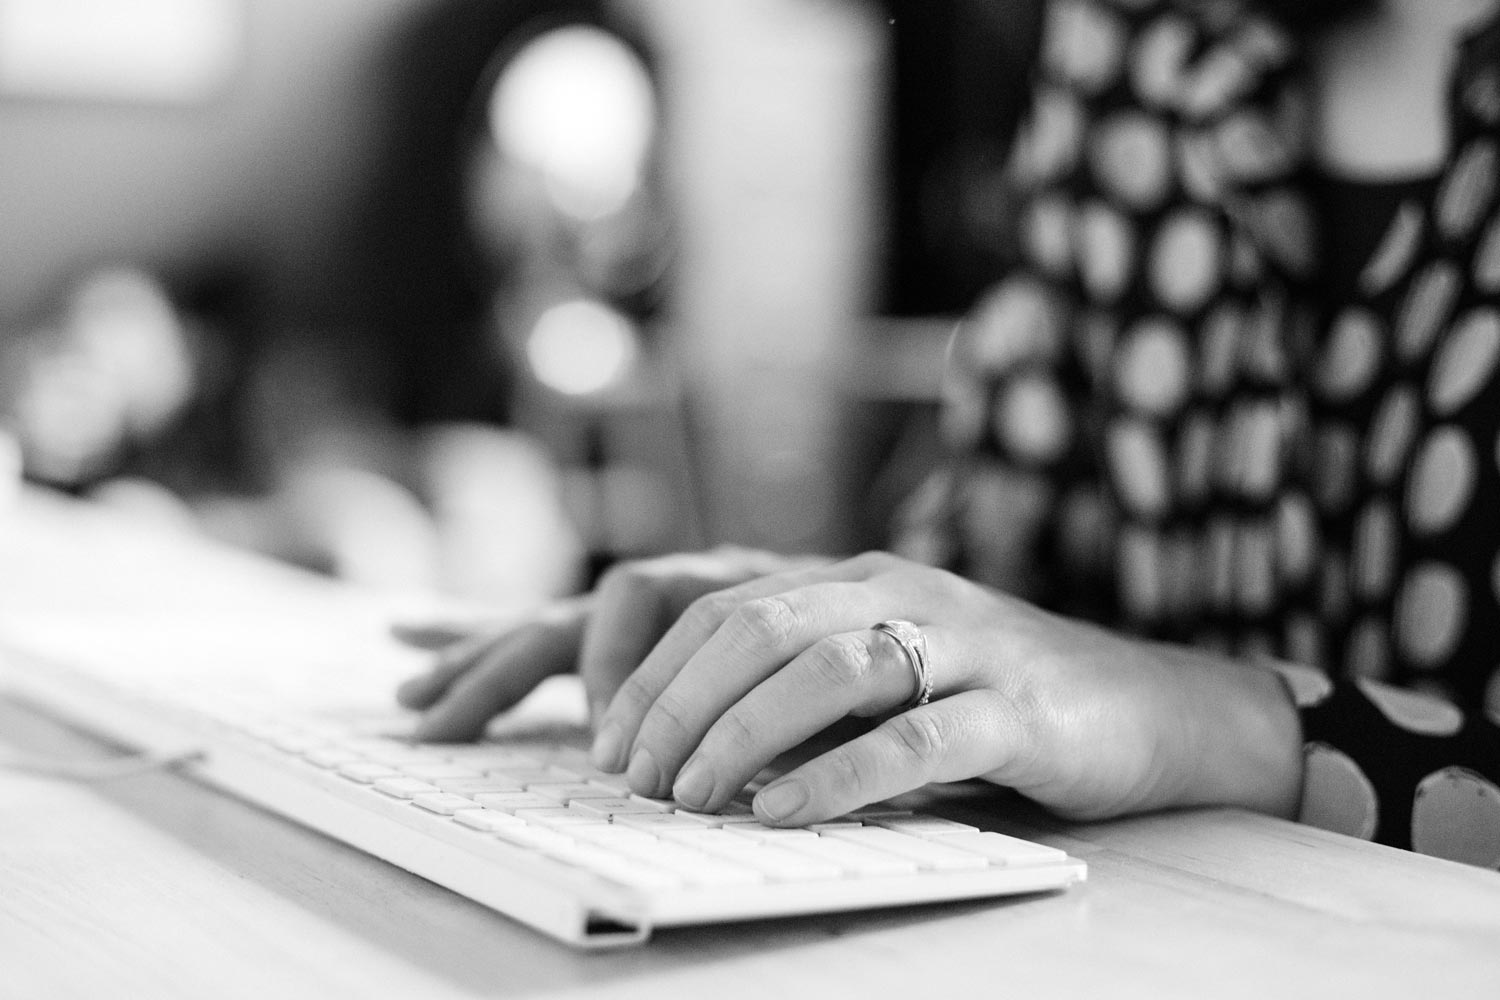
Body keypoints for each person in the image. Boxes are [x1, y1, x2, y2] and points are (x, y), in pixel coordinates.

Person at [396, 0, 1500, 866]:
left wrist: (1218, 719)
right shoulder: (1141, 35)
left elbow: (1108, 684)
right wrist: (819, 631)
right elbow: (1006, 573)